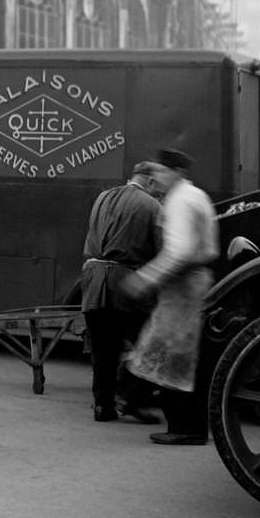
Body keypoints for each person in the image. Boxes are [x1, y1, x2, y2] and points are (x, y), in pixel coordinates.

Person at [121, 148, 220, 446]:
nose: (157, 177)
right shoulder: (196, 195)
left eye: (162, 171)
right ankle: (190, 425)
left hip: (182, 286)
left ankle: (185, 428)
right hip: (194, 282)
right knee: (179, 355)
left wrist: (144, 279)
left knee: (173, 357)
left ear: (177, 172)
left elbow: (180, 251)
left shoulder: (179, 201)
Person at [80, 161, 162, 424]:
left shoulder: (103, 197)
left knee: (103, 349)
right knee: (146, 342)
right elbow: (161, 251)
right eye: (157, 185)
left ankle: (103, 406)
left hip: (92, 282)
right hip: (125, 283)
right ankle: (132, 399)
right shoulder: (152, 206)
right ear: (149, 181)